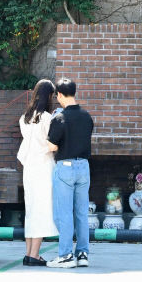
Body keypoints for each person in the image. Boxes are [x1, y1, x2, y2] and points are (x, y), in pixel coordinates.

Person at [46, 77, 94, 269]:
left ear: (59, 95)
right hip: (84, 166)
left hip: (65, 167)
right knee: (82, 213)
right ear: (74, 92)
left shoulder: (59, 118)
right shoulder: (87, 116)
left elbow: (51, 146)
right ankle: (82, 254)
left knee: (64, 213)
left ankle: (65, 255)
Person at [17, 79, 58, 266]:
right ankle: (34, 255)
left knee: (31, 210)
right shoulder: (48, 118)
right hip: (44, 167)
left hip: (29, 169)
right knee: (42, 210)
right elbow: (52, 144)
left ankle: (28, 254)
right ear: (49, 96)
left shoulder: (24, 118)